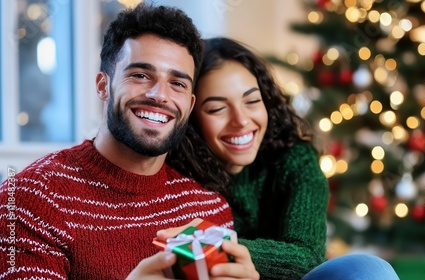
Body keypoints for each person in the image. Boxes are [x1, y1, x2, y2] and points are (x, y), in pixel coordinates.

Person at [0, 5, 258, 280]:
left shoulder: (208, 210)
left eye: (178, 84)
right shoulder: (28, 199)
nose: (160, 95)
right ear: (102, 86)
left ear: (190, 104)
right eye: (140, 75)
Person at [165, 37, 400, 279]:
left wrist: (222, 249)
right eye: (217, 108)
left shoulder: (295, 160)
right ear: (190, 118)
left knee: (370, 269)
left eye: (252, 101)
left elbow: (307, 256)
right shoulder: (174, 170)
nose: (241, 120)